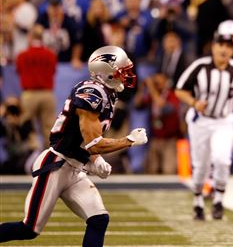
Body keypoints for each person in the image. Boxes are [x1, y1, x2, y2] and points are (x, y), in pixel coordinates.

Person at [0, 46, 148, 246]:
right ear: (107, 72)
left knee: (99, 219)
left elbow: (86, 140)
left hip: (74, 168)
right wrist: (128, 141)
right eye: (122, 70)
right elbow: (93, 142)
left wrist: (95, 160)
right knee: (29, 228)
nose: (127, 75)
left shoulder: (107, 93)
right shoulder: (91, 93)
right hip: (55, 165)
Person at [175, 23, 233, 221]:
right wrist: (194, 102)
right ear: (213, 46)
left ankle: (218, 199)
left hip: (224, 120)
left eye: (229, 46)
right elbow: (179, 89)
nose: (224, 49)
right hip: (200, 121)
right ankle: (198, 201)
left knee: (222, 159)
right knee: (200, 165)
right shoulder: (200, 66)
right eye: (221, 45)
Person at [15, 27, 57, 149]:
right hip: (47, 94)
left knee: (28, 126)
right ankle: (50, 159)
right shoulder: (51, 55)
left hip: (29, 95)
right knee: (49, 128)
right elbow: (53, 71)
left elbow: (19, 71)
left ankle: (32, 155)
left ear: (30, 37)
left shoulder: (22, 55)